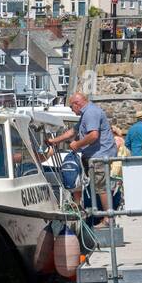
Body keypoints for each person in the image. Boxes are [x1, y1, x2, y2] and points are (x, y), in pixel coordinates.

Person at [45, 92, 118, 225]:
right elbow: (72, 131)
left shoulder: (90, 113)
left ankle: (109, 219)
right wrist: (54, 141)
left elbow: (93, 135)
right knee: (98, 186)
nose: (72, 110)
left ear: (77, 104)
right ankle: (100, 215)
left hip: (100, 155)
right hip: (95, 155)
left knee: (101, 187)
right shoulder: (86, 114)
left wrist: (76, 144)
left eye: (72, 107)